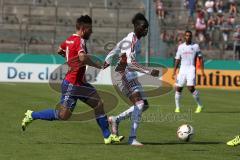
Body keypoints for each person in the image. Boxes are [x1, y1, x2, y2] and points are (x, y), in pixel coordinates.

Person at [21, 15, 124, 144]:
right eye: (90, 29)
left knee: (98, 104)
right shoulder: (80, 41)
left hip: (80, 83)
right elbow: (82, 58)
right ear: (83, 28)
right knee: (63, 115)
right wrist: (98, 65)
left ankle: (107, 136)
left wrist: (70, 59)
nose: (91, 32)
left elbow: (60, 50)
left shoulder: (69, 39)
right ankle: (32, 115)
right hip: (73, 84)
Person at [103, 13, 160, 146]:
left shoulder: (132, 39)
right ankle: (132, 138)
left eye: (147, 27)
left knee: (143, 104)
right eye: (143, 27)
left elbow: (116, 48)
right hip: (123, 74)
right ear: (136, 27)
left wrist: (107, 61)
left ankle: (116, 119)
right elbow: (130, 63)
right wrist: (149, 71)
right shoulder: (132, 41)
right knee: (139, 103)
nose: (146, 30)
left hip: (128, 74)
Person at [172, 30, 205, 113]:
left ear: (191, 37)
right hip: (182, 69)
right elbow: (177, 59)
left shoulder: (196, 46)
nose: (188, 37)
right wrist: (174, 71)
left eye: (190, 35)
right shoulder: (180, 47)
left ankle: (200, 105)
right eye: (186, 35)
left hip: (191, 68)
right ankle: (177, 108)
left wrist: (202, 71)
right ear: (184, 37)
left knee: (191, 88)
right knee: (178, 88)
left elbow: (200, 59)